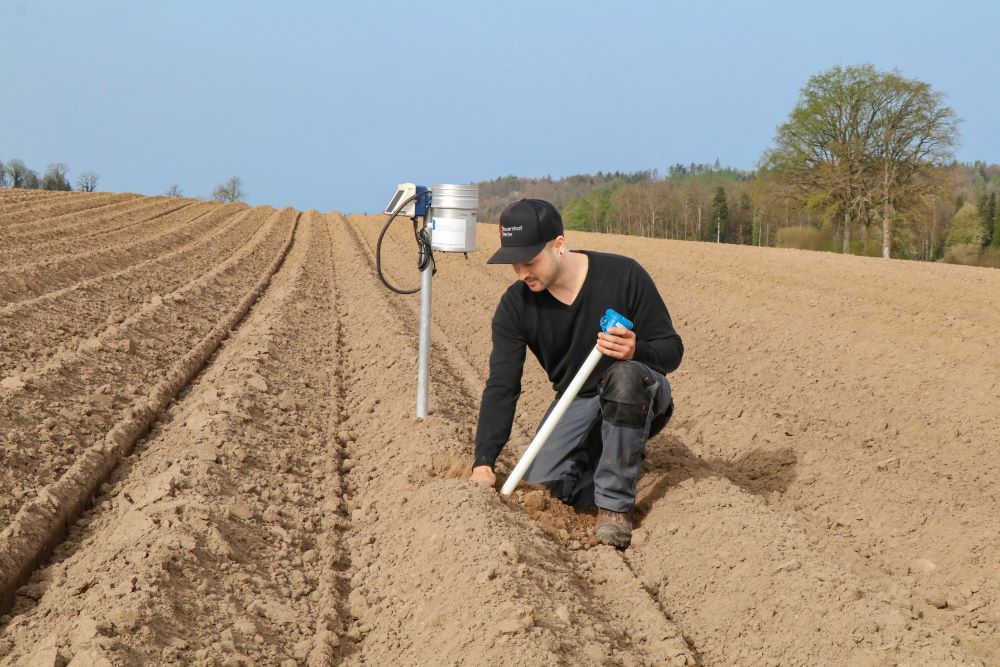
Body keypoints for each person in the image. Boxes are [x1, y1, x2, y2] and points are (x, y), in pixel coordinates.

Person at [469, 199, 683, 548]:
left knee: (625, 377)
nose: (522, 273)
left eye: (530, 261)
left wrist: (636, 350)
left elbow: (672, 349)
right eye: (515, 264)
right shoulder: (515, 306)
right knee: (548, 489)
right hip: (579, 397)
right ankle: (613, 457)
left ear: (558, 245)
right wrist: (484, 461)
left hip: (640, 389)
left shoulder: (624, 275)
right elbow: (502, 386)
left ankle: (614, 508)